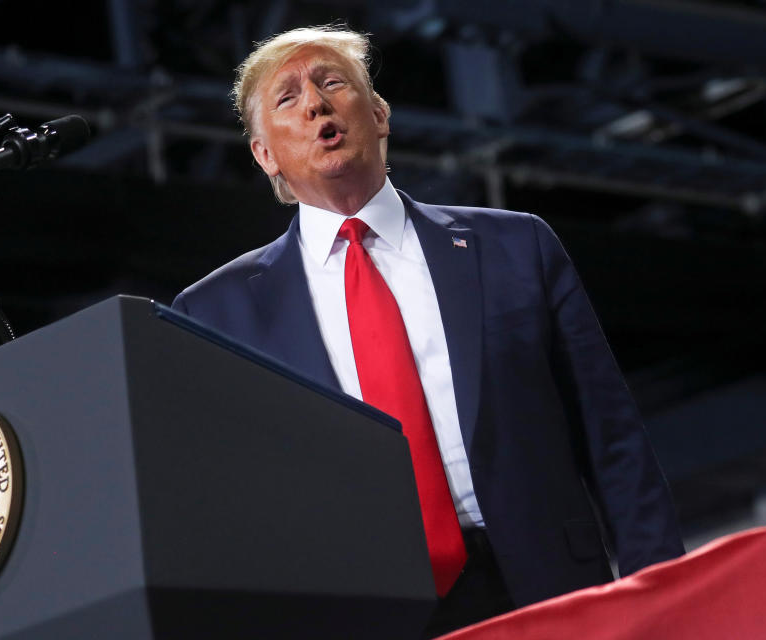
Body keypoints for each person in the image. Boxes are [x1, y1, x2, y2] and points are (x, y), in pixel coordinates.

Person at [171, 25, 684, 636]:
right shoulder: (215, 312)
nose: (315, 104)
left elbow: (613, 440)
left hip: (549, 585)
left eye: (332, 82)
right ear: (264, 154)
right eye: (288, 98)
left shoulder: (514, 245)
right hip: (363, 611)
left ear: (380, 114)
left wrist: (669, 595)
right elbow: (230, 512)